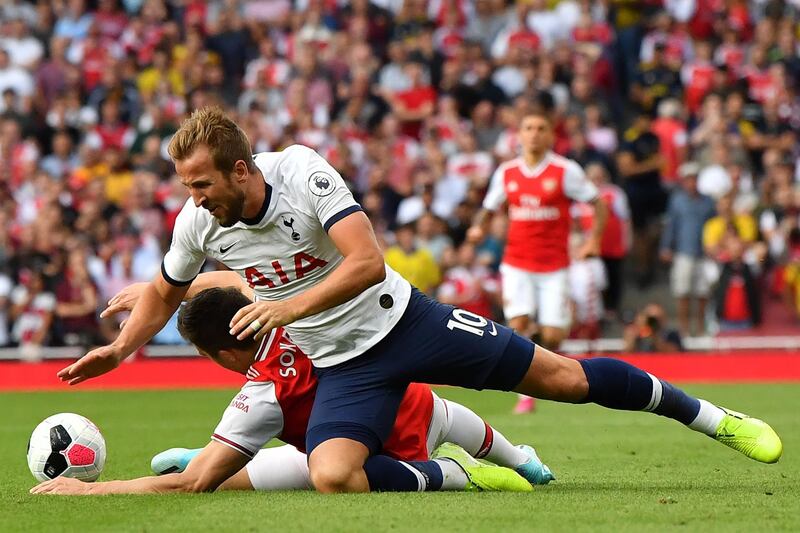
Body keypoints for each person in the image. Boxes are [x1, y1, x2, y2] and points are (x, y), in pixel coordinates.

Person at [58, 108, 782, 496]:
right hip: (342, 365)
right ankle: (458, 472)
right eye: (186, 187)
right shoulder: (197, 223)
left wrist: (286, 307)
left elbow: (369, 262)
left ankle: (718, 420)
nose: (192, 199)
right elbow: (163, 288)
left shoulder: (303, 172)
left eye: (199, 183)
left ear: (241, 168)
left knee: (565, 378)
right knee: (332, 475)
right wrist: (123, 349)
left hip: (406, 321)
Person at [33, 282, 549, 496]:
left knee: (212, 473)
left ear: (222, 355)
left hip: (380, 454)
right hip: (418, 404)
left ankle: (458, 476)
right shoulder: (287, 306)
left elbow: (191, 487)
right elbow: (234, 278)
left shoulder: (260, 394)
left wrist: (92, 488)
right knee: (440, 412)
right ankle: (518, 456)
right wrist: (163, 291)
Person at [466, 111, 608, 414]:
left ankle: (537, 370)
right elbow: (488, 207)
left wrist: (593, 240)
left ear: (551, 135)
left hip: (555, 265)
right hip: (517, 261)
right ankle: (526, 394)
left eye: (541, 128)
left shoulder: (564, 170)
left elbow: (598, 203)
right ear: (519, 134)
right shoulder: (507, 172)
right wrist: (478, 227)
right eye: (528, 127)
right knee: (518, 325)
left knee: (554, 334)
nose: (534, 134)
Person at [659, 162, 716, 336]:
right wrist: (666, 246)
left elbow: (714, 225)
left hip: (704, 253)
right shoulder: (677, 201)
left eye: (694, 179)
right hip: (683, 251)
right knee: (682, 292)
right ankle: (684, 329)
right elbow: (671, 225)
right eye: (688, 179)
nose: (692, 182)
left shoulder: (708, 201)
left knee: (702, 293)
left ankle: (699, 328)